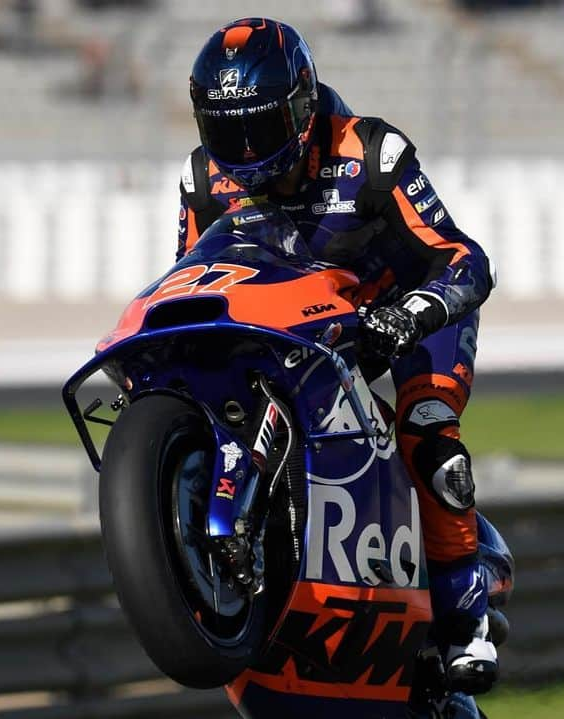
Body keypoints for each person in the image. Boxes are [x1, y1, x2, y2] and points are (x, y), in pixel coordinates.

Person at [176, 18, 498, 695]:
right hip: (295, 328)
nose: (244, 151)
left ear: (299, 106)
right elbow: (191, 275)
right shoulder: (202, 178)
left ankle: (469, 624)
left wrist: (411, 314)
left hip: (399, 316)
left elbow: (464, 259)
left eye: (259, 129)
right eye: (226, 128)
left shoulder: (371, 153)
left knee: (427, 430)